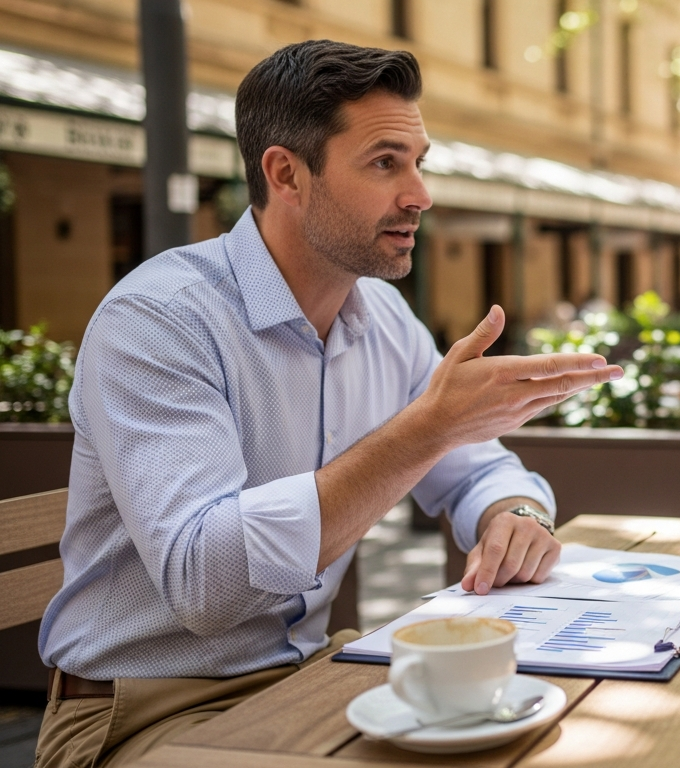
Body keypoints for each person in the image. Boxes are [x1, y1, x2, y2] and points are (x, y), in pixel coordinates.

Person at [34, 40, 623, 768]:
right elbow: (204, 583)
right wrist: (424, 431)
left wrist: (514, 514)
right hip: (141, 711)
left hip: (306, 676)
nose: (421, 195)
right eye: (385, 163)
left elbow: (472, 466)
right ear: (287, 173)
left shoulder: (379, 314)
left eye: (419, 161)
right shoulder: (159, 322)